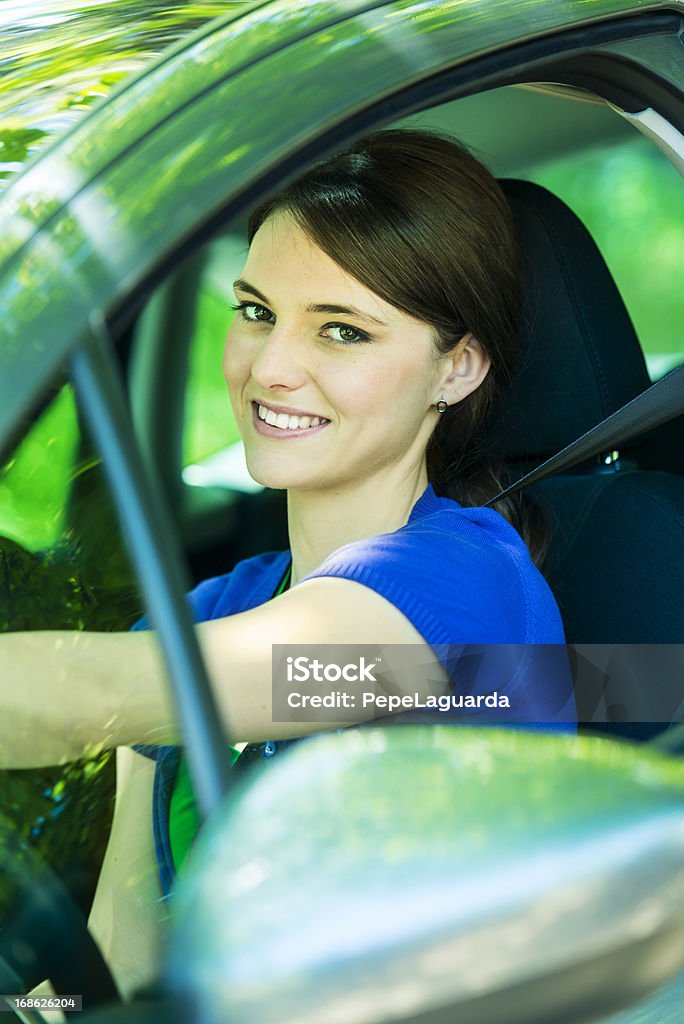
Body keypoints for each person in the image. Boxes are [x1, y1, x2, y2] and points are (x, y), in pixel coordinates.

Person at [1, 128, 576, 996]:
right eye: (257, 311)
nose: (271, 367)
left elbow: (96, 695)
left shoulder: (462, 593)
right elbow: (122, 955)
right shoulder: (193, 615)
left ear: (455, 369)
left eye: (342, 331)